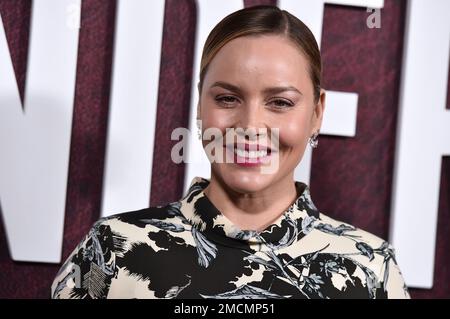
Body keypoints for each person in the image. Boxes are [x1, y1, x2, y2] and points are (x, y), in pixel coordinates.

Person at [51, 5, 410, 299]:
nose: (251, 125)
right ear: (199, 104)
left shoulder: (371, 269)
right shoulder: (114, 247)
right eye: (227, 98)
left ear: (317, 112)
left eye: (280, 102)